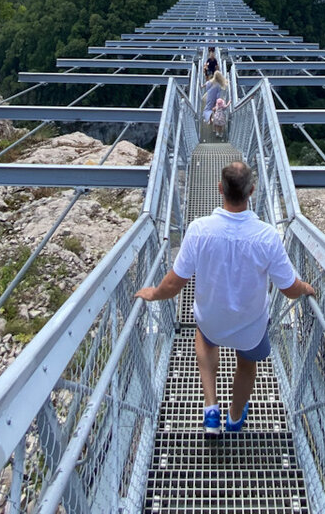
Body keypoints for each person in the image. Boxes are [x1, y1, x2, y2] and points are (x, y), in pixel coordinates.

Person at [135, 162, 314, 435]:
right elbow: (289, 288)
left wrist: (154, 293)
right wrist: (306, 288)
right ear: (252, 191)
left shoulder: (199, 230)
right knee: (246, 366)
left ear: (220, 189)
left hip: (212, 322)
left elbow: (174, 284)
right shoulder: (267, 236)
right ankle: (233, 418)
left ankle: (210, 409)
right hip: (251, 326)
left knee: (204, 338)